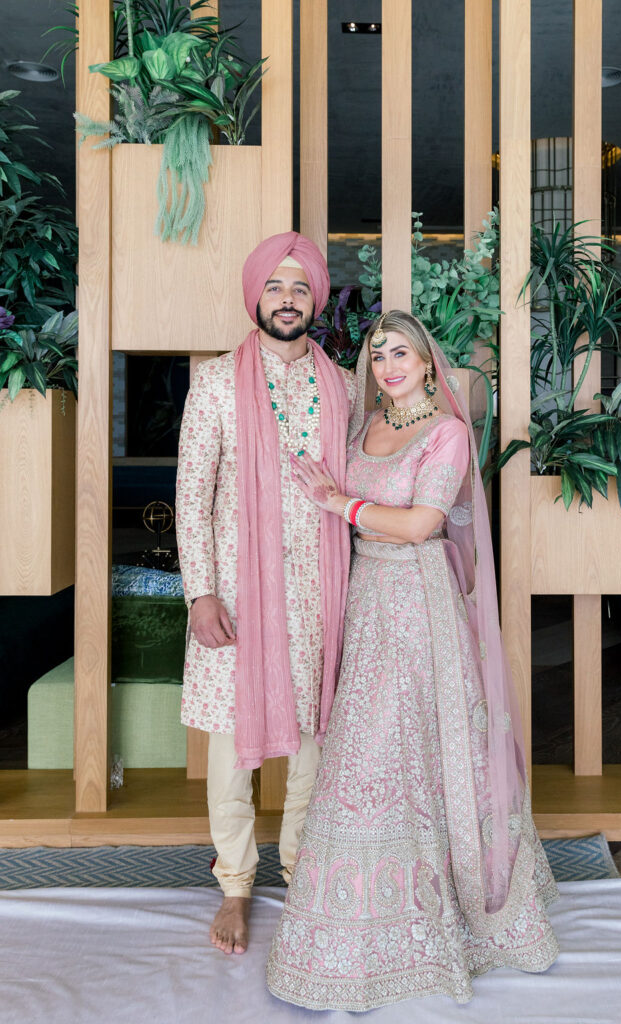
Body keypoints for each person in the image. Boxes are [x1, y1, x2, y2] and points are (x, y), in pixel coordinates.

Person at [267, 310, 559, 1010]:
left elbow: (422, 524)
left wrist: (338, 502)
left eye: (402, 352)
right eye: (377, 354)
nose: (388, 365)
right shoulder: (360, 429)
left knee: (415, 749)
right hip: (366, 595)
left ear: (428, 364)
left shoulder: (447, 433)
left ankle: (443, 919)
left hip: (419, 601)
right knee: (361, 753)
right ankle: (348, 930)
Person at [175, 232, 355, 957]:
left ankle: (304, 877)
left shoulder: (341, 381)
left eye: (300, 288)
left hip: (320, 586)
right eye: (276, 287)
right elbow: (193, 493)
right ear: (256, 296)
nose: (288, 299)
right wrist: (201, 593)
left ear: (315, 300)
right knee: (231, 744)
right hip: (239, 594)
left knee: (314, 740)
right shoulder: (217, 381)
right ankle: (237, 887)